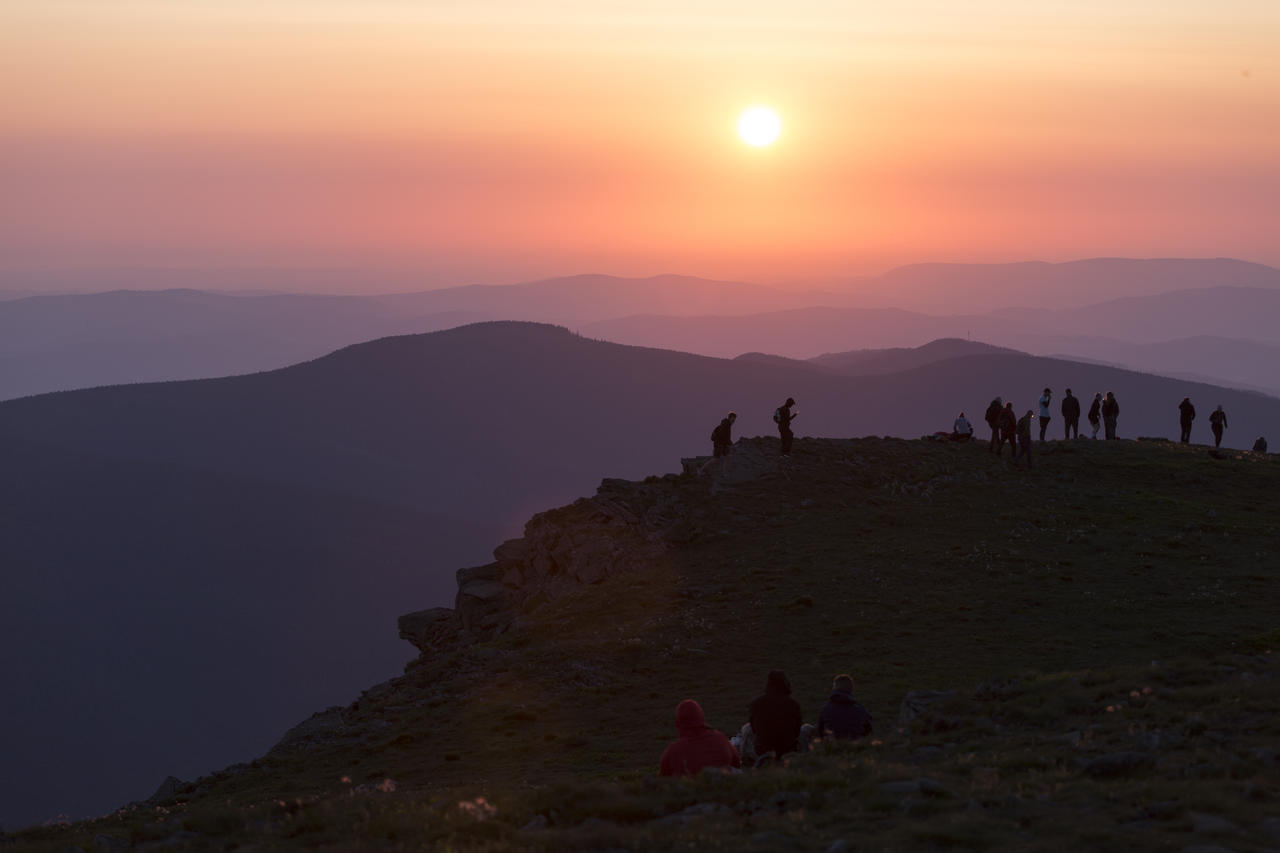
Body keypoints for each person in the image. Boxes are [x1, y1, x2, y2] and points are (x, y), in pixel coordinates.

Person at [658, 699, 740, 777]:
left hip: (688, 790)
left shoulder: (673, 751)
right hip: (724, 788)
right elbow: (737, 762)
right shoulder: (721, 739)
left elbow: (662, 781)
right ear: (702, 718)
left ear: (678, 724)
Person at [747, 670, 803, 763]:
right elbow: (797, 731)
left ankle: (747, 760)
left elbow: (753, 729)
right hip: (788, 749)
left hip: (763, 750)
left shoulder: (756, 703)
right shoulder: (793, 704)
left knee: (746, 729)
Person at [816, 674, 872, 740]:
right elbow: (869, 730)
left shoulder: (826, 708)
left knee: (806, 728)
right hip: (856, 746)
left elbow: (820, 731)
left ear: (835, 687)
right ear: (851, 688)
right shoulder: (860, 709)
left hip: (832, 746)